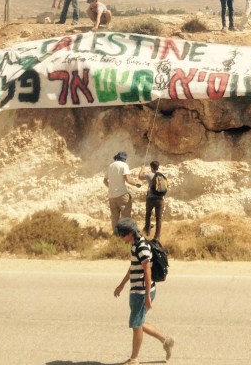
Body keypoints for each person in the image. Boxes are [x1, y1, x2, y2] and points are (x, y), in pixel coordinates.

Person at [112, 218, 175, 364]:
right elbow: (134, 267)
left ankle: (134, 359)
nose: (121, 238)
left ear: (129, 233)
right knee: (138, 322)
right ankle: (166, 340)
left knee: (136, 325)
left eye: (122, 234)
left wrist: (147, 295)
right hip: (137, 291)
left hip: (141, 292)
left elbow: (147, 271)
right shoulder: (135, 244)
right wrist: (121, 284)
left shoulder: (142, 247)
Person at [104, 151, 137, 228]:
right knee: (126, 217)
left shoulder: (110, 166)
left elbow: (105, 181)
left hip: (111, 195)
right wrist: (136, 184)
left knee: (115, 217)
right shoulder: (124, 165)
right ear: (124, 159)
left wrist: (111, 187)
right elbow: (127, 179)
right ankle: (127, 235)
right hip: (122, 194)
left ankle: (116, 236)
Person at [140, 160, 168, 240]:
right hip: (160, 199)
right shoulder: (162, 176)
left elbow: (140, 176)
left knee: (148, 215)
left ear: (151, 167)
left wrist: (142, 168)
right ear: (158, 167)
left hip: (151, 198)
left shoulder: (150, 175)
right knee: (158, 218)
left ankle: (147, 232)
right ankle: (157, 237)